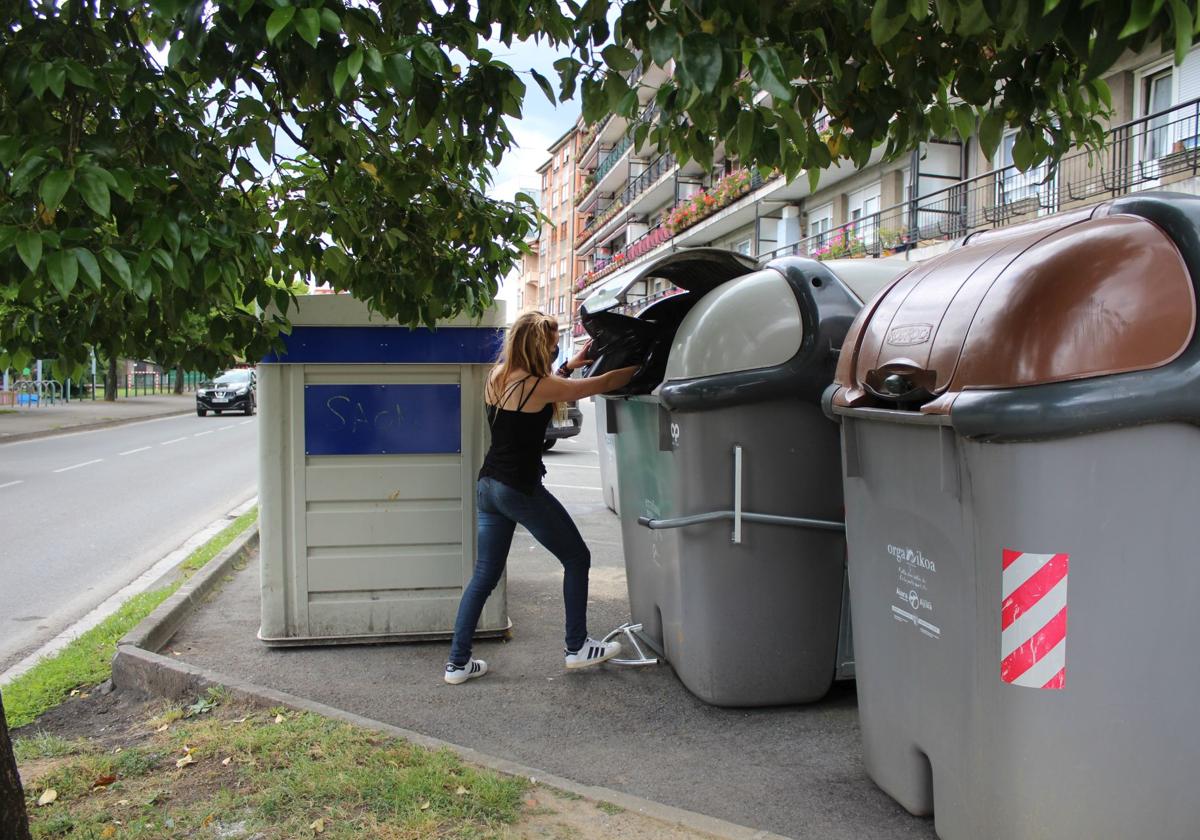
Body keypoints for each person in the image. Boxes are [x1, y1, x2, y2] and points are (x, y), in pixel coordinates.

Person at [444, 312, 637, 684]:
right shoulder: (539, 385)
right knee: (577, 557)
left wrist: (571, 364)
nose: (554, 350)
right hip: (519, 489)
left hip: (489, 487)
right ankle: (577, 647)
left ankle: (457, 664)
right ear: (537, 346)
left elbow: (540, 390)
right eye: (551, 345)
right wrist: (645, 363)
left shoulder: (498, 377)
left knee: (484, 576)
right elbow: (606, 382)